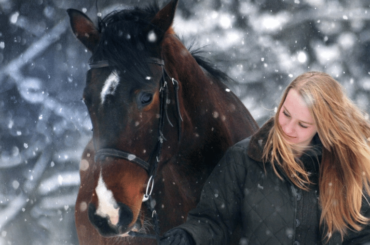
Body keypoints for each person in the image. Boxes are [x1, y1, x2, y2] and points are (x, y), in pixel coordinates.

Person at [160, 71, 370, 245]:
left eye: (303, 124)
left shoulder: (349, 167)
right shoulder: (243, 159)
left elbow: (362, 235)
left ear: (323, 127)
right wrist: (189, 236)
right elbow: (214, 221)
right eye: (286, 113)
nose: (287, 128)